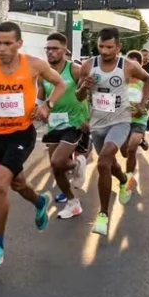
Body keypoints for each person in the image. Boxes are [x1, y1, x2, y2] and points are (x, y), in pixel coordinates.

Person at [0, 21, 66, 269]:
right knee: (18, 183)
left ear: (19, 43)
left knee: (0, 184)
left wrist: (47, 105)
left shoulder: (34, 64)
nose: (1, 48)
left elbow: (60, 84)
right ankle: (39, 202)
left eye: (7, 43)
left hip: (22, 134)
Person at [78, 28, 149, 236]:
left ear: (119, 47)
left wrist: (142, 104)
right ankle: (123, 180)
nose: (104, 51)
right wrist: (84, 87)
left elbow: (148, 80)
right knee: (110, 164)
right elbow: (79, 96)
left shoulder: (128, 65)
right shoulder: (88, 66)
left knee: (103, 163)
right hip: (97, 123)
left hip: (120, 121)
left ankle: (103, 215)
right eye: (101, 46)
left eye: (109, 47)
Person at [38, 33, 90, 218]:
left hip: (74, 121)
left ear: (64, 50)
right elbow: (40, 97)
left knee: (57, 161)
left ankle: (77, 164)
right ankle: (73, 202)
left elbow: (85, 95)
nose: (50, 52)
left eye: (55, 49)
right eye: (48, 49)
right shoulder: (43, 73)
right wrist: (39, 109)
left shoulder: (75, 70)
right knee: (57, 168)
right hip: (54, 122)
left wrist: (87, 119)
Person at [122, 50, 149, 185]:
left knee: (131, 149)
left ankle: (128, 180)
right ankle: (142, 141)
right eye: (129, 63)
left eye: (135, 63)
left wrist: (147, 105)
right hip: (123, 119)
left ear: (141, 64)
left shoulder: (146, 80)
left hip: (139, 118)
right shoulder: (121, 79)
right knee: (124, 152)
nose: (132, 66)